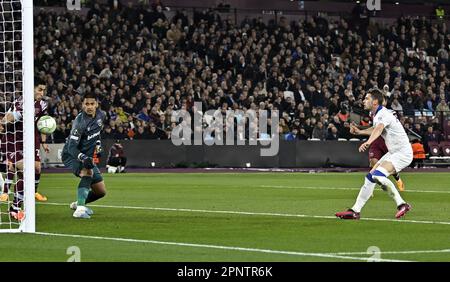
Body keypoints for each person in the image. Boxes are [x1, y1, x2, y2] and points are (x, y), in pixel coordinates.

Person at [336, 89, 412, 220]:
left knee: (377, 175)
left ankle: (402, 204)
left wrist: (368, 142)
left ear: (375, 101)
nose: (364, 101)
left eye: (367, 98)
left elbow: (379, 129)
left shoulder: (382, 114)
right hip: (394, 152)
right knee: (370, 177)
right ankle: (355, 211)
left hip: (402, 153)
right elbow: (375, 128)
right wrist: (359, 132)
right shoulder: (378, 114)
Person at [61, 93, 107, 219]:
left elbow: (97, 133)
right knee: (87, 173)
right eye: (87, 104)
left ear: (96, 105)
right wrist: (83, 157)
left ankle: (78, 204)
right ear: (82, 105)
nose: (89, 107)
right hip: (72, 155)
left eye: (92, 104)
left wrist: (98, 145)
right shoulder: (79, 123)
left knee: (100, 191)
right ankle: (80, 211)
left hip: (87, 156)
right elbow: (71, 147)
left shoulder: (101, 116)